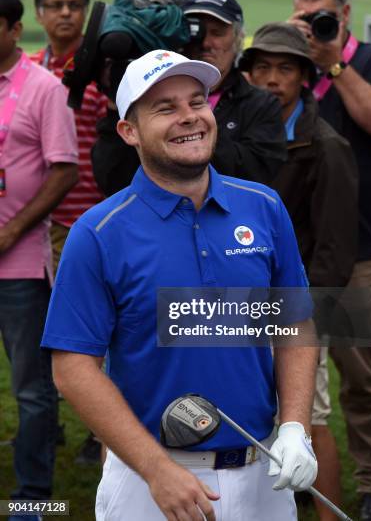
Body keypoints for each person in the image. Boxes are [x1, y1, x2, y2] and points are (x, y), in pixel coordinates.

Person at [42, 49, 319, 520]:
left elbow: (294, 324)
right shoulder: (99, 232)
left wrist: (295, 426)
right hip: (152, 482)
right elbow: (72, 367)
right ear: (129, 131)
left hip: (262, 475)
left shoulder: (264, 207)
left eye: (196, 102)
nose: (189, 118)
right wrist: (155, 470)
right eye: (165, 108)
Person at [290, 0, 371, 521]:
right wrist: (294, 53)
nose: (314, 27)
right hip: (294, 255)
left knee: (362, 380)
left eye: (324, 17)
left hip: (358, 253)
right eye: (305, 18)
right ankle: (298, 476)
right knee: (290, 379)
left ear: (346, 13)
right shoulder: (286, 66)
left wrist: (334, 62)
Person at [241, 22, 359, 520]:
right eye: (262, 67)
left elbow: (335, 246)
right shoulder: (239, 132)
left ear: (304, 77)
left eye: (285, 68)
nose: (271, 79)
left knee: (309, 419)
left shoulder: (327, 145)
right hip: (239, 301)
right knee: (254, 416)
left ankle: (328, 513)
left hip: (296, 307)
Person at [0, 0, 78, 521]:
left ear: (12, 28)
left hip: (20, 267)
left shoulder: (44, 88)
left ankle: (34, 496)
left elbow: (64, 167)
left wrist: (12, 231)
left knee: (32, 388)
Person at [91, 0, 287, 196]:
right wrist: (117, 102)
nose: (205, 43)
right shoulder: (146, 97)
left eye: (217, 33)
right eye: (196, 31)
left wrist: (193, 129)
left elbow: (254, 175)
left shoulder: (260, 104)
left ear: (238, 39)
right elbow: (112, 180)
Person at [31, 0, 108, 463]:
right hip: (36, 224)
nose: (64, 13)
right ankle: (47, 423)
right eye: (55, 4)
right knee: (42, 331)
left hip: (90, 220)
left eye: (74, 4)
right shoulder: (30, 70)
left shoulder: (101, 68)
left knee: (95, 333)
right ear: (38, 14)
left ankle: (101, 431)